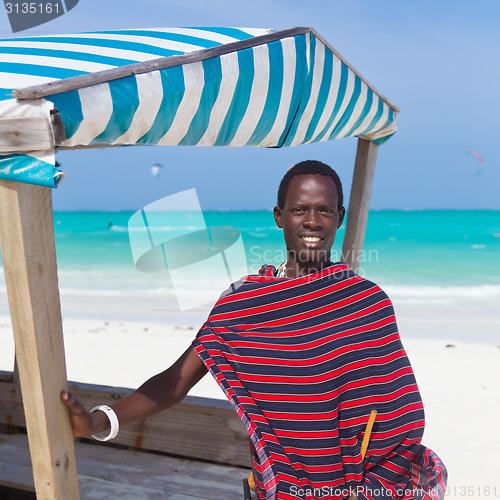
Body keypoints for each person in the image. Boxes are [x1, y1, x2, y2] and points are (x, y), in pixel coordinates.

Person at [61, 160, 446, 500]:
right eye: (300, 209)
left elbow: (397, 410)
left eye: (324, 210)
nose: (312, 221)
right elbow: (175, 382)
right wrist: (98, 421)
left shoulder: (366, 300)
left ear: (340, 216)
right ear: (279, 216)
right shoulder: (243, 305)